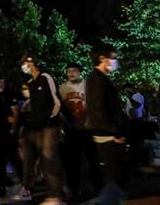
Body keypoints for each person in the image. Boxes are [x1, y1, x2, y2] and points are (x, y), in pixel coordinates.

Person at [85, 44, 129, 205]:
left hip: (110, 133)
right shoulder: (96, 79)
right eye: (113, 57)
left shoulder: (100, 78)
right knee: (114, 175)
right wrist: (115, 132)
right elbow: (98, 110)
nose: (115, 61)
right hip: (108, 135)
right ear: (102, 59)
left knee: (116, 175)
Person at [18, 54, 64, 205]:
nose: (23, 67)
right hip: (38, 128)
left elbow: (56, 100)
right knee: (37, 159)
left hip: (50, 125)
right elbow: (33, 107)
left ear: (30, 63)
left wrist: (52, 119)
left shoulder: (45, 78)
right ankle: (53, 190)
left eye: (24, 64)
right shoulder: (30, 83)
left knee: (48, 158)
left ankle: (56, 195)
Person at [60, 62, 102, 201]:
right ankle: (74, 190)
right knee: (72, 162)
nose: (71, 73)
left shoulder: (87, 85)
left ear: (79, 72)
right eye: (68, 70)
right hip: (71, 130)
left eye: (74, 70)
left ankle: (98, 188)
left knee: (92, 160)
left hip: (87, 128)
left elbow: (94, 104)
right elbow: (60, 108)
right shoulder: (63, 88)